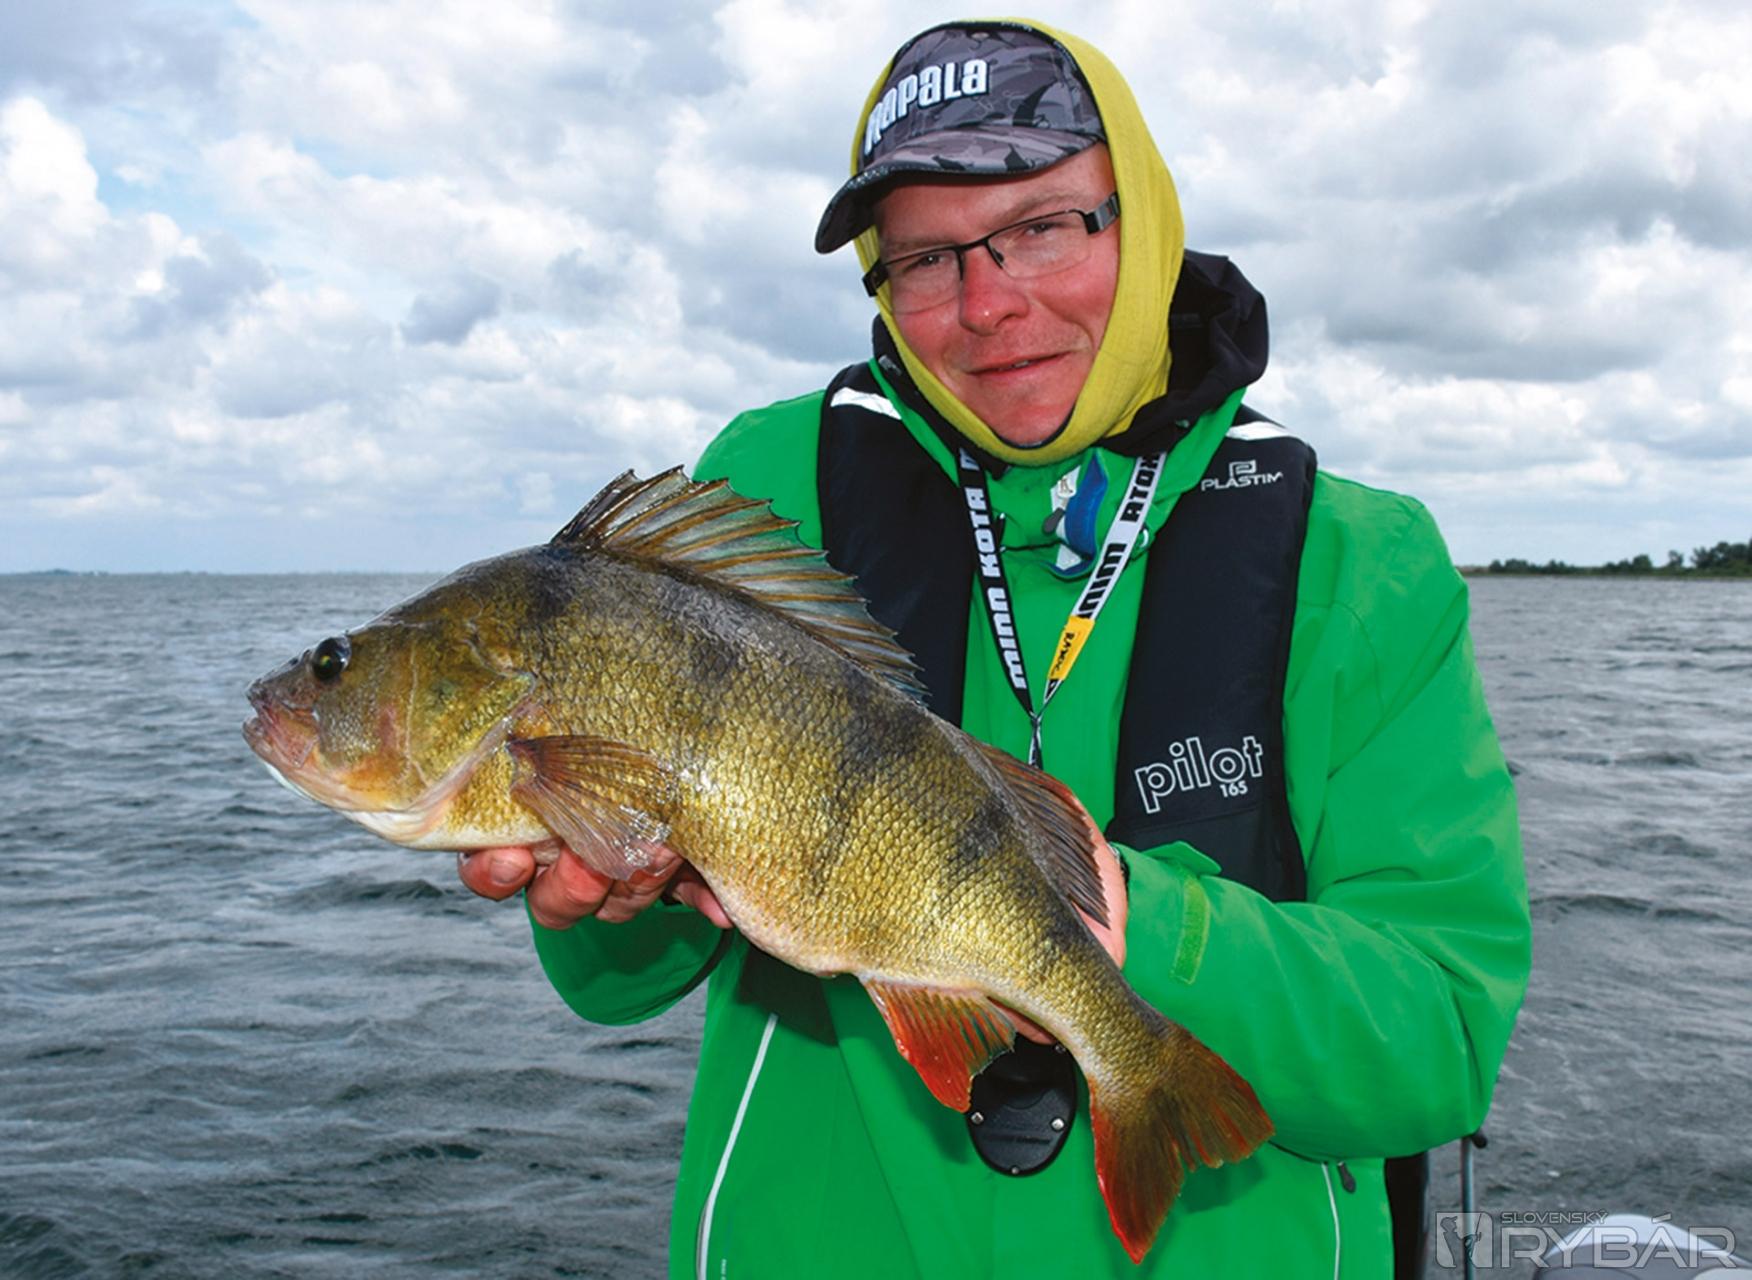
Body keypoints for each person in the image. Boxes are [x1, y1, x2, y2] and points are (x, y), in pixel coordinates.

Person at [459, 19, 1531, 1278]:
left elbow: (1439, 1040)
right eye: (925, 257)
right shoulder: (768, 485)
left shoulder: (1362, 559)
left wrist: (1138, 928)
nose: (987, 303)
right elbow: (615, 983)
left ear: (1144, 222)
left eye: (1043, 226)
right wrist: (608, 894)